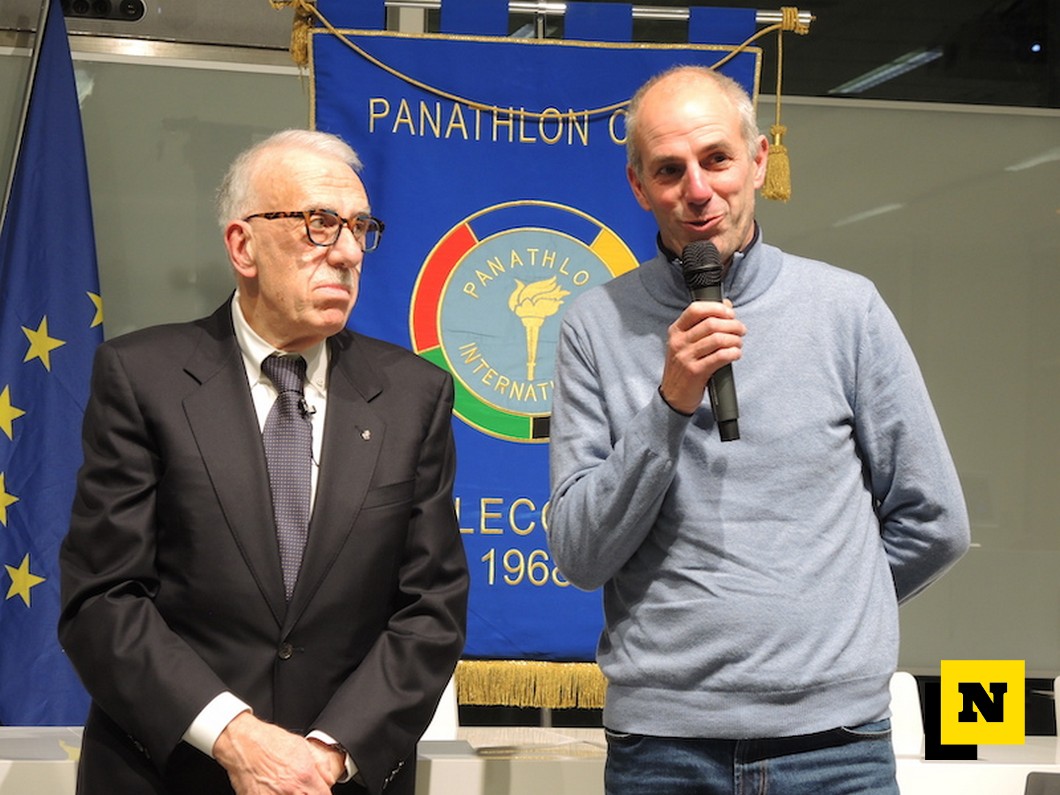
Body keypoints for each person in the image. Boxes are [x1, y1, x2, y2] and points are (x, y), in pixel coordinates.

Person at [547, 65, 970, 794]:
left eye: (716, 158)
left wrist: (827, 613)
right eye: (669, 170)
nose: (697, 189)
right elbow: (582, 554)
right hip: (663, 748)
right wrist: (670, 403)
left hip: (836, 747)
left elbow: (935, 521)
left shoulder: (846, 310)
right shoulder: (594, 326)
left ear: (758, 160)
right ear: (639, 187)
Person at [59, 129, 469, 795]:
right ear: (243, 246)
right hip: (170, 774)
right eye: (320, 224)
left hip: (337, 780)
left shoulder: (413, 396)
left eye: (360, 227)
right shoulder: (141, 379)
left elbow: (432, 609)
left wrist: (326, 756)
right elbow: (103, 598)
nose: (348, 252)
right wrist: (236, 737)